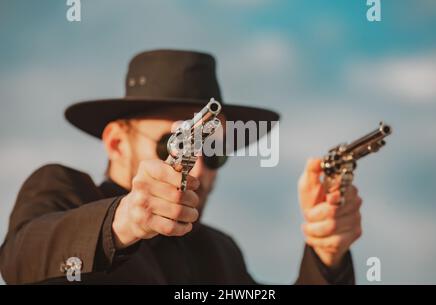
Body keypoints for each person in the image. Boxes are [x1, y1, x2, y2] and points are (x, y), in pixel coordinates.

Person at [0, 50, 362, 284]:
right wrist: (123, 221)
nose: (200, 167)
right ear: (116, 142)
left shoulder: (220, 252)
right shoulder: (65, 189)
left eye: (215, 151)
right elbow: (19, 260)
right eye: (170, 143)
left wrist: (326, 254)